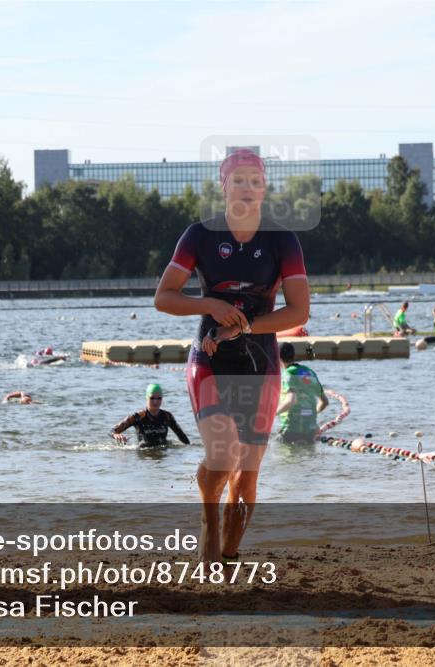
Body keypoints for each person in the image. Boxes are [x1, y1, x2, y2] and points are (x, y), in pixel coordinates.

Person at [154, 148, 310, 563]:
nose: (247, 188)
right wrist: (211, 306)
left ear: (264, 190)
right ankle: (208, 526)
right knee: (222, 457)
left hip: (261, 363)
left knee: (246, 481)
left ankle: (225, 557)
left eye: (255, 181)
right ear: (224, 186)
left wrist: (244, 325)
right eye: (238, 180)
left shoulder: (282, 240)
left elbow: (299, 311)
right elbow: (163, 297)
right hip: (209, 358)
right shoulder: (200, 235)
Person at [276, 343, 328, 445]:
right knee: (306, 458)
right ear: (293, 355)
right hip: (310, 431)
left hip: (290, 430)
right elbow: (325, 402)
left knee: (284, 459)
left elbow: (291, 400)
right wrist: (310, 416)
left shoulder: (288, 374)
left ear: (278, 357)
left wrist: (273, 413)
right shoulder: (310, 372)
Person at [110, 384, 190, 447]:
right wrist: (116, 435)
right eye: (152, 398)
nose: (155, 402)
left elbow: (184, 439)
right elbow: (112, 431)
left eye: (159, 398)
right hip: (144, 457)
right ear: (146, 398)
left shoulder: (167, 416)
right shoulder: (137, 416)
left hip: (163, 457)